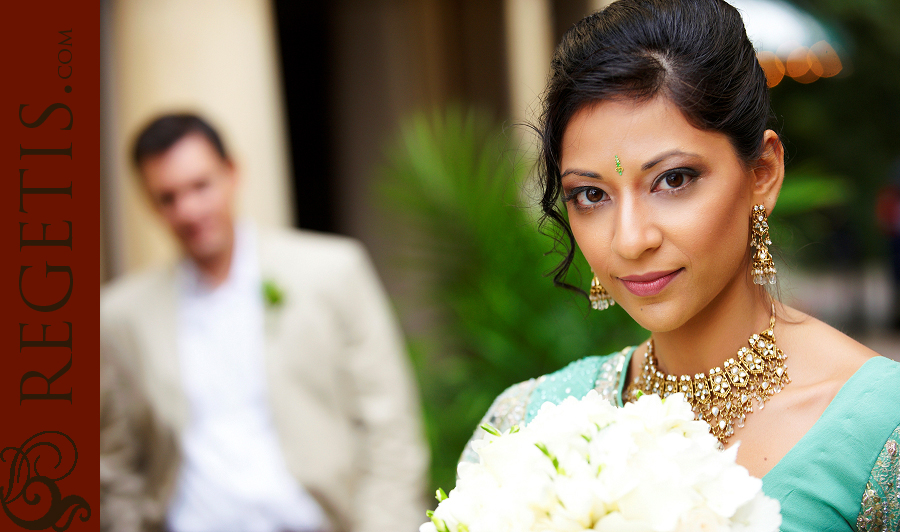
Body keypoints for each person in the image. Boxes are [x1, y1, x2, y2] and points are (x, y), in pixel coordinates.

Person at [462, 1, 900, 531]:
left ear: (762, 174)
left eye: (673, 180)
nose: (630, 239)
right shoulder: (525, 430)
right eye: (591, 194)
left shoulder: (882, 435)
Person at [100, 114, 428, 532]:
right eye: (168, 197)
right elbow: (115, 462)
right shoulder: (121, 316)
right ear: (149, 203)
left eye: (200, 186)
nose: (188, 210)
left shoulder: (332, 271)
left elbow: (391, 427)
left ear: (232, 173)